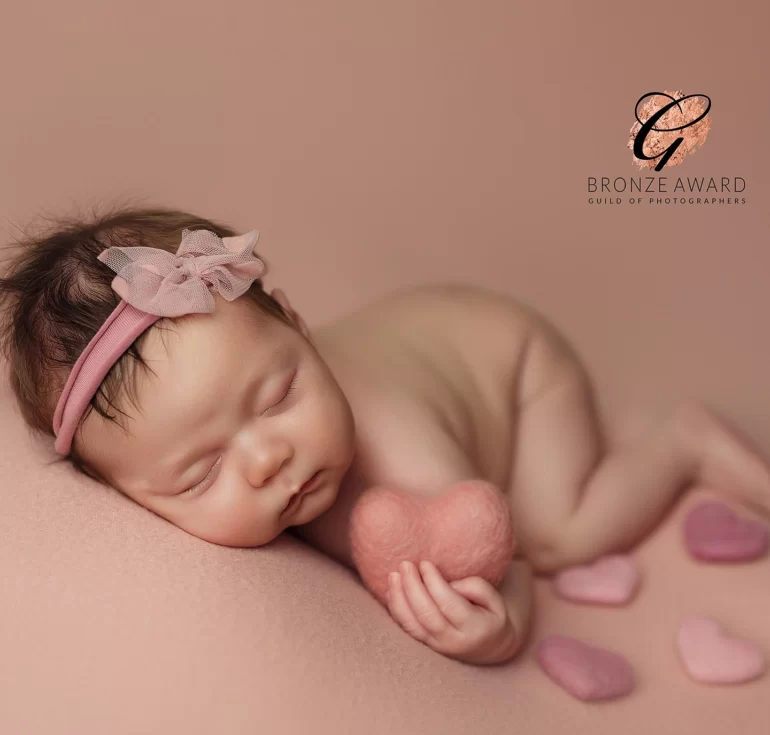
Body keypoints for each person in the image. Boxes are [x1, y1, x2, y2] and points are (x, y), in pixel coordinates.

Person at [2, 201, 770, 667]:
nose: (270, 457)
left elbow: (505, 564)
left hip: (512, 366)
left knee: (557, 533)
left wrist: (499, 628)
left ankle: (684, 442)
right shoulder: (233, 414)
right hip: (429, 330)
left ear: (297, 322)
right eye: (200, 475)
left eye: (279, 396)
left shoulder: (403, 461)